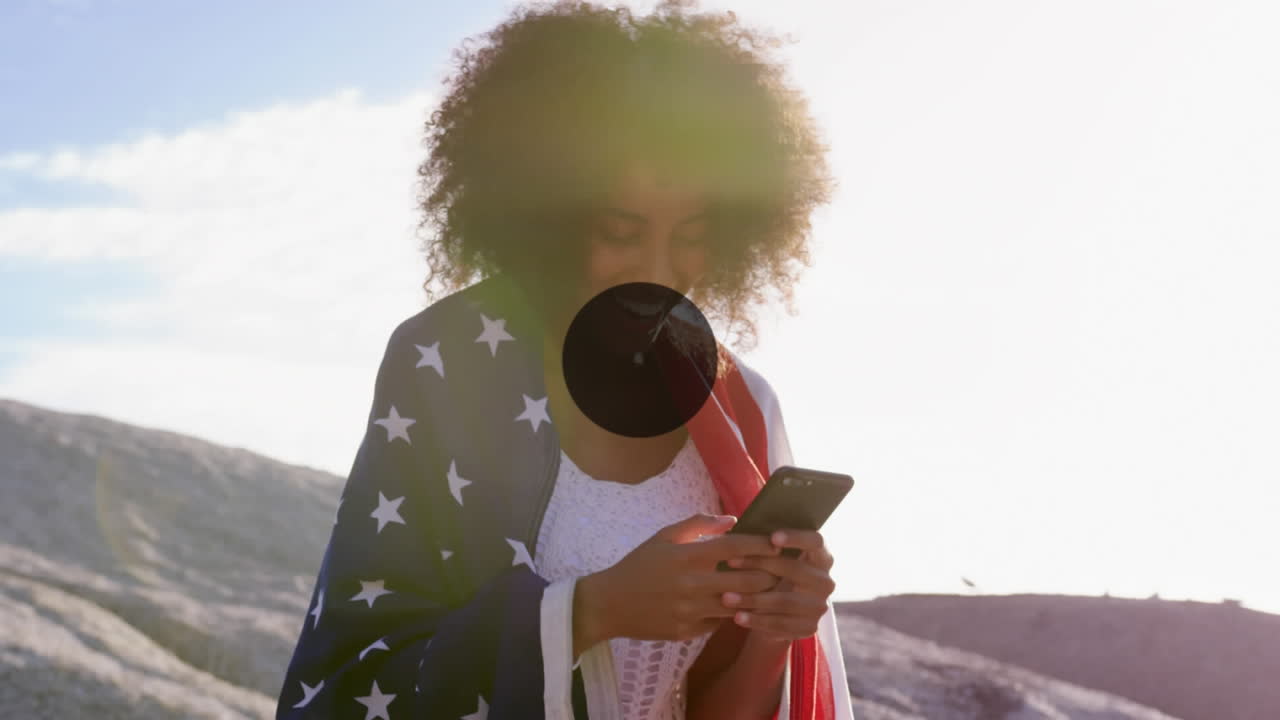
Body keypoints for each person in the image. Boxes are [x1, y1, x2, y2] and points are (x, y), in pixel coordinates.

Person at [275, 1, 852, 718]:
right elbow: (357, 675)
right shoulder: (444, 364)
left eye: (695, 234)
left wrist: (773, 634)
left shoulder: (742, 408)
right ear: (547, 216)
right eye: (620, 230)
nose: (659, 271)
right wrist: (590, 612)